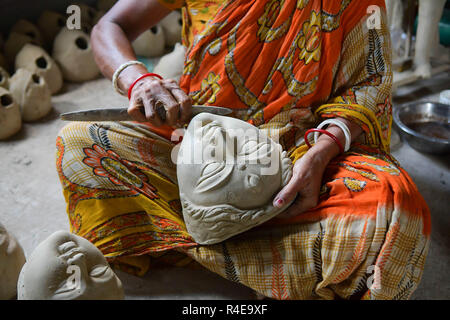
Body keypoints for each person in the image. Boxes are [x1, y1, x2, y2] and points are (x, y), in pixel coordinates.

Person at [56, 0, 431, 299]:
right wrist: (138, 79)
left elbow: (370, 80)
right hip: (193, 140)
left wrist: (324, 149)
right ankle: (261, 249)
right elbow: (109, 26)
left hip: (301, 151)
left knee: (394, 209)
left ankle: (203, 238)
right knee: (80, 145)